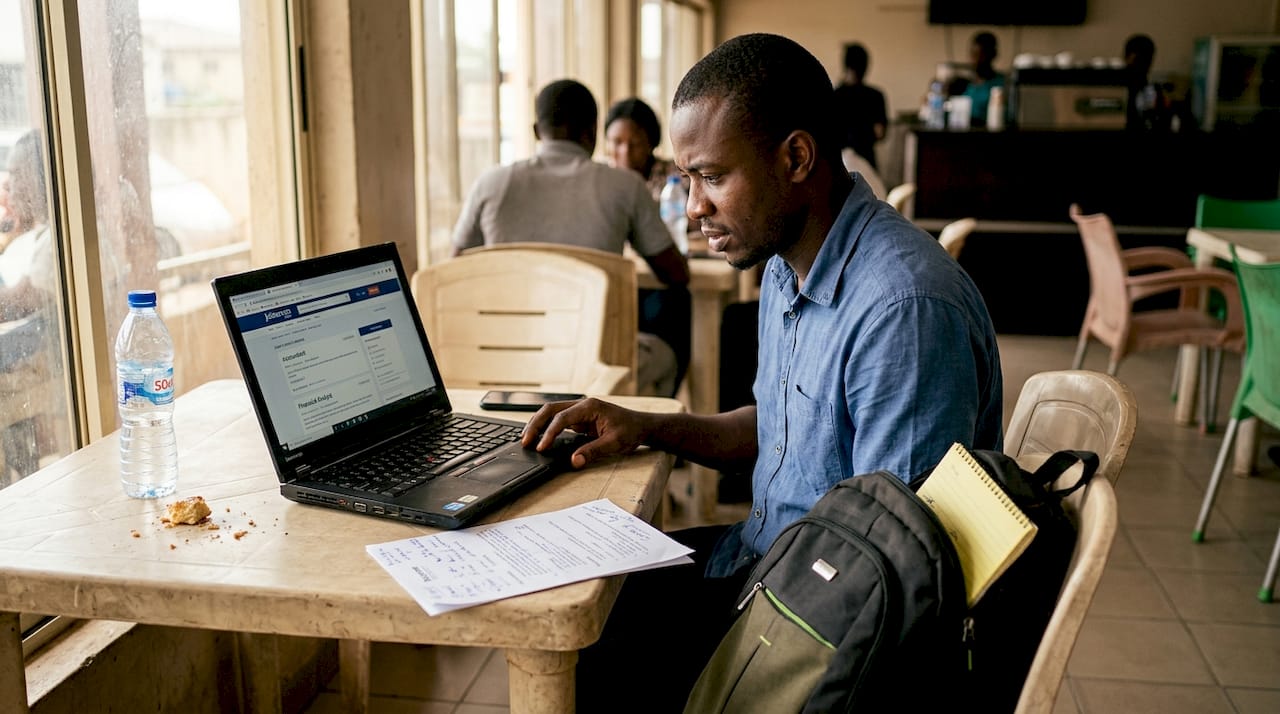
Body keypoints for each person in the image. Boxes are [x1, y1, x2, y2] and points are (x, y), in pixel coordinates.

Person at [523, 33, 1004, 711]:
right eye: (687, 180)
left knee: (597, 652)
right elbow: (779, 430)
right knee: (581, 600)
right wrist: (647, 426)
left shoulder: (905, 310)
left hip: (819, 618)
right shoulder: (785, 265)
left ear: (796, 158)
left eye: (712, 177)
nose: (692, 206)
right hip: (763, 561)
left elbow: (894, 576)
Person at [451, 79, 690, 397]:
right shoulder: (624, 187)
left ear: (537, 130)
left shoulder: (490, 184)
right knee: (674, 325)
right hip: (596, 366)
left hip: (501, 363)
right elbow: (676, 273)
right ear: (592, 131)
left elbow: (455, 272)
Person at [602, 97, 693, 389]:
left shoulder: (675, 179)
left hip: (657, 277)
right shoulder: (602, 182)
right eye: (616, 142)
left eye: (635, 143)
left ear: (652, 142)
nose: (624, 152)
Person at [832, 42, 888, 171]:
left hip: (839, 163)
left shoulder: (833, 95)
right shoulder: (876, 96)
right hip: (867, 160)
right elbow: (880, 133)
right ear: (866, 66)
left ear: (845, 65)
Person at [954, 31, 1005, 127]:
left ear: (993, 55)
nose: (976, 61)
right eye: (973, 55)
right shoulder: (962, 84)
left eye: (981, 56)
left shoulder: (1002, 84)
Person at [1123, 33, 1170, 131]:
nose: (1142, 65)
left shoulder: (1153, 91)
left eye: (1146, 60)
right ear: (1126, 58)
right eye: (1138, 60)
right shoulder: (1116, 89)